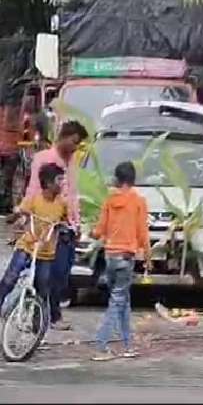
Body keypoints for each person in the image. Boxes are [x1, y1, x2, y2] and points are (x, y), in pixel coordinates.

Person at [24, 120, 87, 331]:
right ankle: (39, 316)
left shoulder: (71, 162)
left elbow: (72, 194)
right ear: (65, 137)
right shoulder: (45, 158)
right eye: (75, 142)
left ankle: (50, 314)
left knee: (62, 273)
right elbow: (33, 189)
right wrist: (29, 217)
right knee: (45, 275)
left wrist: (76, 222)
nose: (76, 147)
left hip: (66, 226)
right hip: (47, 226)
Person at [91, 162, 149, 361]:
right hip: (126, 256)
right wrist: (147, 256)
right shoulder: (138, 201)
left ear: (116, 179)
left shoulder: (108, 201)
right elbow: (142, 232)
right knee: (117, 302)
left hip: (110, 256)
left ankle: (126, 345)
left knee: (123, 301)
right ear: (133, 180)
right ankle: (100, 345)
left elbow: (99, 230)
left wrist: (90, 232)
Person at [0, 164, 67, 317]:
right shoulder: (33, 200)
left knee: (43, 289)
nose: (62, 183)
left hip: (46, 253)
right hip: (27, 247)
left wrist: (69, 227)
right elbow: (15, 216)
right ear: (49, 183)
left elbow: (66, 220)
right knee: (10, 278)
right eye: (59, 179)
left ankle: (38, 326)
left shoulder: (62, 204)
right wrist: (17, 213)